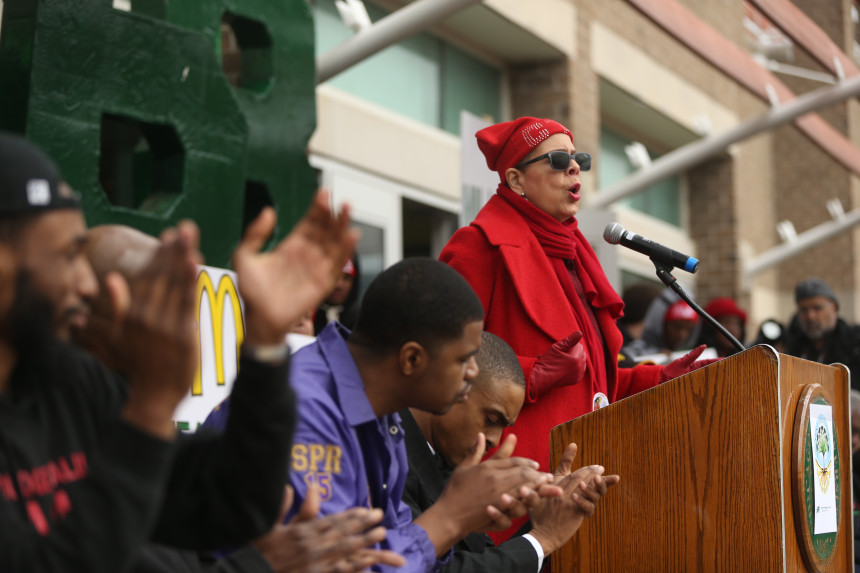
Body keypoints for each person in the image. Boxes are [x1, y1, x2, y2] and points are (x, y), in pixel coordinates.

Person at [0, 132, 376, 573]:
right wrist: (153, 403)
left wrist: (265, 347)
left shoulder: (67, 382)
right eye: (66, 256)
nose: (84, 285)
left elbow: (231, 503)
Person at [438, 117, 712, 541]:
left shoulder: (577, 256)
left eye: (578, 159)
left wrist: (655, 379)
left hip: (585, 490)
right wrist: (532, 373)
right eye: (559, 160)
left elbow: (594, 385)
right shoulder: (478, 247)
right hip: (515, 499)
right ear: (515, 178)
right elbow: (443, 367)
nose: (574, 169)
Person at [205, 258, 563, 573]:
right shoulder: (304, 410)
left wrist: (461, 515)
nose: (473, 372)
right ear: (411, 359)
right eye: (462, 359)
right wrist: (451, 516)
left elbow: (398, 552)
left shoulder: (379, 415)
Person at [81, 223, 399, 573]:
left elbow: (242, 497)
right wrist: (262, 565)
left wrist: (265, 343)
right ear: (117, 309)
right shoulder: (57, 449)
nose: (196, 331)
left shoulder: (135, 433)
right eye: (177, 307)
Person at [401, 331, 619, 572]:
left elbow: (476, 556)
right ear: (449, 387)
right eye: (490, 418)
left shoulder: (446, 458)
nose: (494, 440)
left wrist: (543, 524)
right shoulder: (388, 456)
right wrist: (544, 538)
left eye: (503, 426)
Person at [786, 277, 860, 390]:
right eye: (804, 310)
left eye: (817, 308)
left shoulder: (854, 343)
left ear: (834, 307)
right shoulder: (792, 346)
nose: (810, 316)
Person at [314, 255, 361, 334]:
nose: (338, 285)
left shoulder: (362, 321)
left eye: (346, 277)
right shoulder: (304, 319)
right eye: (333, 276)